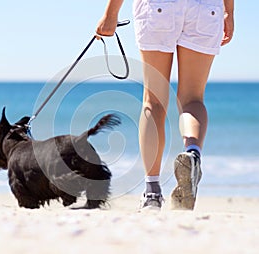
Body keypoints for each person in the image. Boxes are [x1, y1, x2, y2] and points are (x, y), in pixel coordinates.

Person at [96, 0, 234, 210]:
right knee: (192, 99)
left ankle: (152, 193)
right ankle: (193, 153)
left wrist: (111, 13)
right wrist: (229, 12)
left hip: (158, 7)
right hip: (205, 8)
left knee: (154, 101)